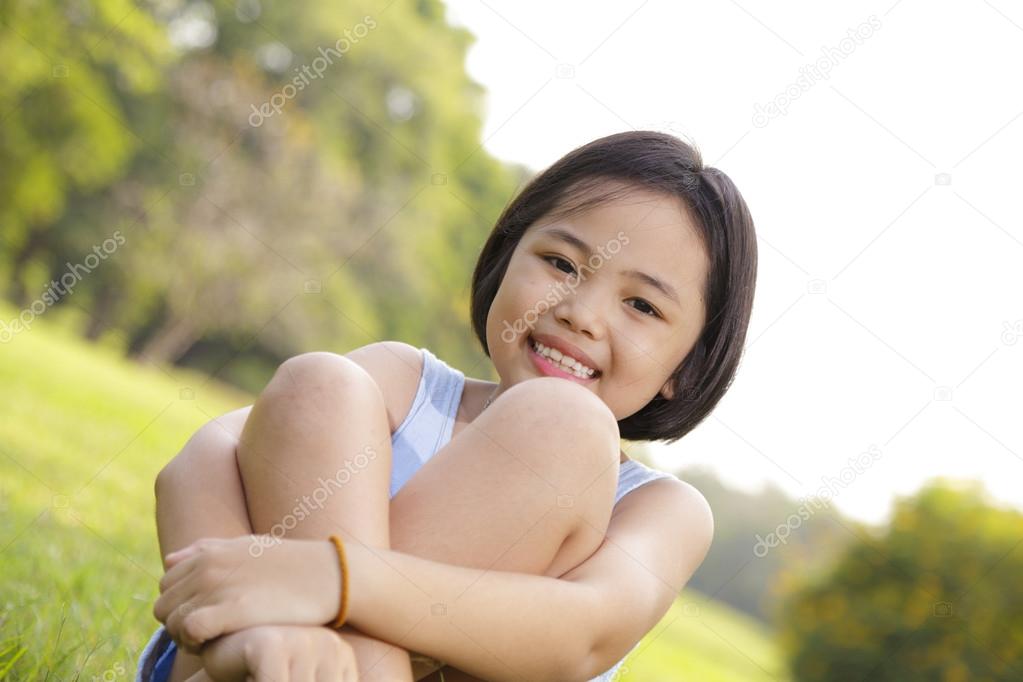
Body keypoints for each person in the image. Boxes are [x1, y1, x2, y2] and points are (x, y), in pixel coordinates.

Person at [137, 129, 758, 682]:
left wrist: (335, 578)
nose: (581, 312)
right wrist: (249, 629)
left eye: (642, 306)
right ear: (506, 256)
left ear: (689, 365)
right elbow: (201, 461)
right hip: (242, 659)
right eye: (561, 263)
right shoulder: (400, 384)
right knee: (316, 383)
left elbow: (584, 632)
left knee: (562, 426)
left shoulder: (660, 509)